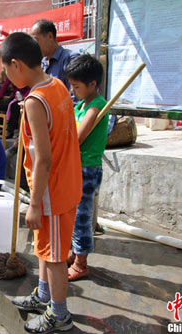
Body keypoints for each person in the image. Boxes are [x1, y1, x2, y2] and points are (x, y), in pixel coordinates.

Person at [0, 32, 82, 333]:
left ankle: (59, 315)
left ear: (17, 64)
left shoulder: (35, 100)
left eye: (6, 69)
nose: (6, 77)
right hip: (65, 184)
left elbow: (44, 158)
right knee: (46, 249)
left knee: (57, 257)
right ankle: (44, 295)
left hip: (52, 193)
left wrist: (34, 205)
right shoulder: (55, 84)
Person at [65, 55, 108, 281]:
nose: (73, 90)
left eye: (76, 86)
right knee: (72, 214)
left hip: (87, 169)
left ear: (93, 84)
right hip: (75, 166)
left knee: (81, 216)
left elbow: (77, 137)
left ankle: (81, 263)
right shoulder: (81, 104)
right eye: (71, 86)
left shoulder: (97, 106)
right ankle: (75, 252)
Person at [30, 19, 79, 93]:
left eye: (36, 40)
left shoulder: (70, 59)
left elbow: (76, 97)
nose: (34, 46)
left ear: (50, 36)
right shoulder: (42, 63)